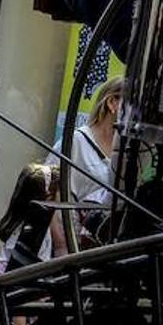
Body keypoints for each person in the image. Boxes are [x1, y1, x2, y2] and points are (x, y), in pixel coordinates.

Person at [45, 77, 123, 239]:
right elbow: (48, 194)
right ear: (112, 103)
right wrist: (61, 246)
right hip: (68, 242)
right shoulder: (76, 142)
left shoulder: (128, 152)